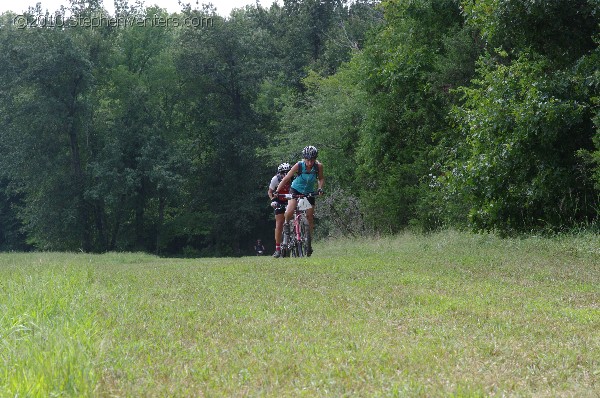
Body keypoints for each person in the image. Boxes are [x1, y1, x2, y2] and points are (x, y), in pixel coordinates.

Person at [276, 145, 324, 256]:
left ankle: (308, 241)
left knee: (310, 217)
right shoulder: (299, 165)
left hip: (308, 192)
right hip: (296, 190)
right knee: (290, 210)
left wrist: (320, 188)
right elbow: (287, 178)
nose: (310, 162)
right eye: (308, 159)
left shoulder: (318, 166)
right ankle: (287, 224)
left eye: (312, 160)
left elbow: (321, 178)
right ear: (304, 158)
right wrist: (277, 191)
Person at [268, 162, 292, 258]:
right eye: (283, 173)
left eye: (288, 172)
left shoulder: (294, 179)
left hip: (291, 200)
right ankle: (277, 248)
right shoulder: (275, 179)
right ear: (279, 173)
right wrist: (273, 200)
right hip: (280, 201)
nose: (285, 175)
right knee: (279, 223)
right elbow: (270, 192)